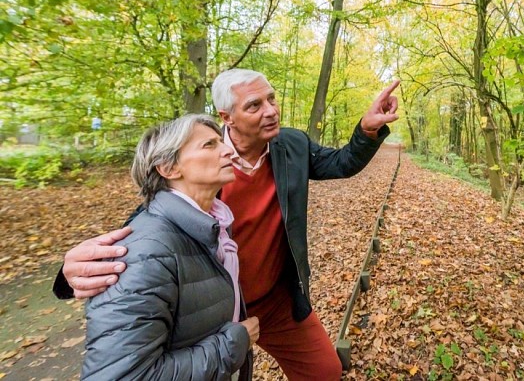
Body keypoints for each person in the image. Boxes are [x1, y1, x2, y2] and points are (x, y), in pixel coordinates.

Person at [55, 69, 399, 380]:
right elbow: (149, 227)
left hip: (274, 299)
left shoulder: (291, 145)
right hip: (209, 310)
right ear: (227, 117)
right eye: (254, 105)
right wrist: (71, 275)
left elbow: (339, 163)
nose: (270, 110)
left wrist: (367, 131)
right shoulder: (201, 162)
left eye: (272, 99)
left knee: (324, 371)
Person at [81, 114, 260, 380]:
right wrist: (234, 343)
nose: (228, 151)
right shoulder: (145, 254)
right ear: (168, 168)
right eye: (209, 145)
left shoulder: (212, 226)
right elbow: (127, 375)